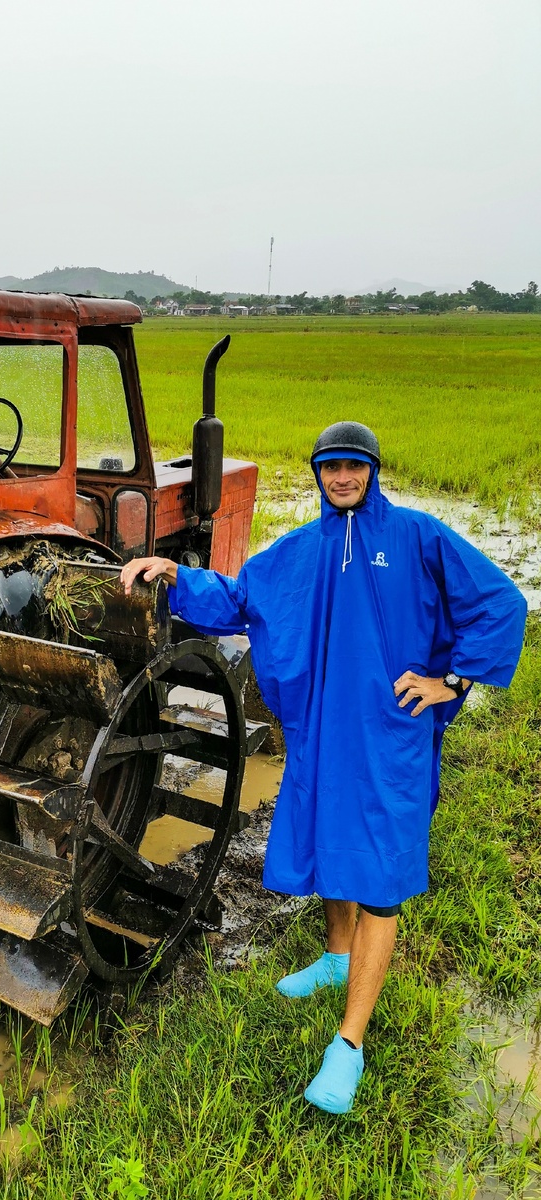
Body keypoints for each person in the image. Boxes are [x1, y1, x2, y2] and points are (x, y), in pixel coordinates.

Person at [121, 421, 526, 1114]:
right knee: (334, 848)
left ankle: (350, 1045)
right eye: (331, 466)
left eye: (354, 466)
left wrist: (451, 682)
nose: (343, 477)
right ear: (317, 473)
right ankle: (336, 960)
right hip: (324, 736)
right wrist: (176, 577)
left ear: (373, 470)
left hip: (391, 738)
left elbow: (501, 601)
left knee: (381, 883)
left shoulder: (418, 538)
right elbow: (242, 601)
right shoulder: (300, 551)